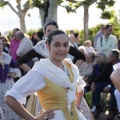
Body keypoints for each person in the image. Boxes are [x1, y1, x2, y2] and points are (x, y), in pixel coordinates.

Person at [5, 29, 86, 120]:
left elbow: (79, 87)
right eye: (57, 45)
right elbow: (10, 98)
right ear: (48, 46)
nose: (62, 49)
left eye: (65, 45)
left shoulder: (70, 67)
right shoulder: (41, 71)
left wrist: (76, 105)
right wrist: (33, 119)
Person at [16, 20, 85, 72]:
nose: (51, 33)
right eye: (49, 31)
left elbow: (82, 57)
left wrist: (72, 70)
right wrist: (33, 73)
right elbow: (20, 61)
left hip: (61, 76)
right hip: (44, 78)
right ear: (45, 33)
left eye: (54, 30)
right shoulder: (40, 47)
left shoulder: (64, 45)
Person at [91, 49, 120, 120]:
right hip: (109, 82)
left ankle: (112, 110)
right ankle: (97, 107)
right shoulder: (109, 64)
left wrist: (109, 86)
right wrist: (94, 82)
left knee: (114, 90)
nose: (108, 57)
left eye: (110, 56)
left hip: (117, 83)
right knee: (97, 86)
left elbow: (117, 79)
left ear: (115, 57)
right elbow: (101, 74)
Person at [0, 39, 21, 120]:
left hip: (8, 85)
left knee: (10, 106)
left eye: (1, 44)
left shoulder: (6, 56)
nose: (0, 46)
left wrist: (14, 73)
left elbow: (16, 66)